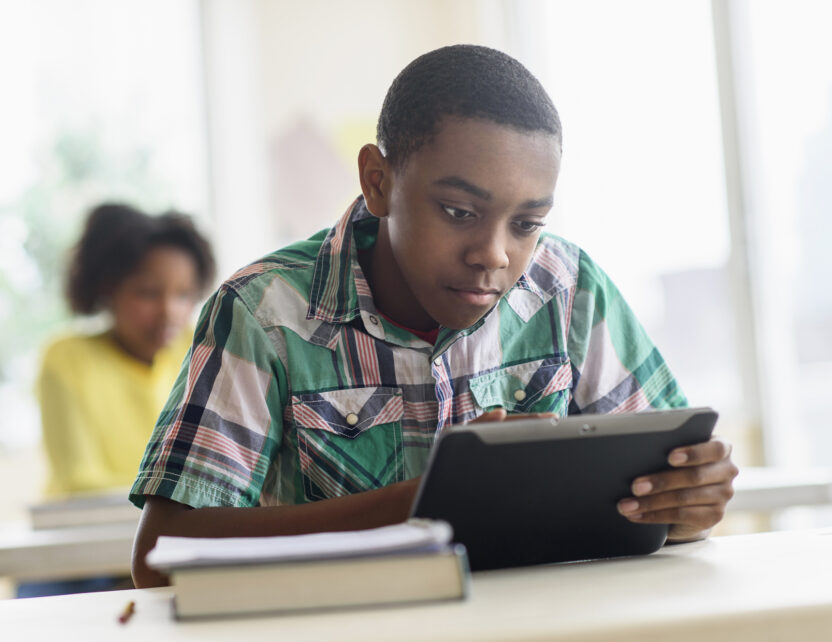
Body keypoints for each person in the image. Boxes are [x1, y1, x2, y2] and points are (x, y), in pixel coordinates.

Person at [128, 45, 738, 588]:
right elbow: (159, 557)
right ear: (378, 181)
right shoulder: (265, 314)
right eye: (458, 210)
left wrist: (690, 507)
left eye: (526, 224)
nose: (494, 254)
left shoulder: (569, 290)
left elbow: (666, 500)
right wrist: (426, 501)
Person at [23, 203, 214, 597]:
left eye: (183, 294)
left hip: (175, 547)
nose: (168, 313)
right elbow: (80, 481)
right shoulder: (66, 358)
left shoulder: (200, 346)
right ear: (107, 288)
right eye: (147, 293)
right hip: (81, 557)